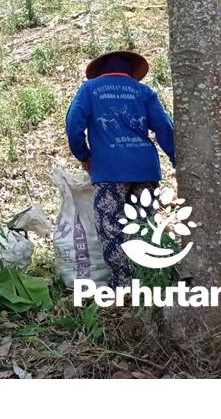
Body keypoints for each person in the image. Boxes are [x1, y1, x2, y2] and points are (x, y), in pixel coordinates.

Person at [65, 50, 176, 287]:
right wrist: (177, 159)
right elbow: (164, 127)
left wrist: (84, 155)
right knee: (146, 223)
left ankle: (123, 283)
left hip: (109, 170)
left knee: (110, 225)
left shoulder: (90, 89)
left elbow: (74, 124)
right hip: (145, 169)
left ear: (101, 69)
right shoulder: (143, 91)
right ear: (130, 71)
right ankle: (149, 279)